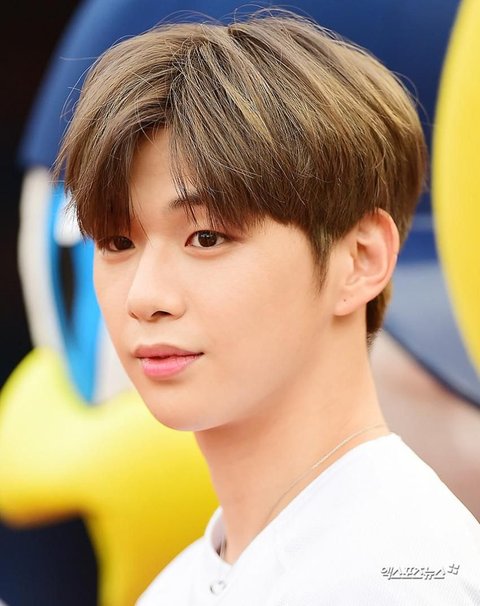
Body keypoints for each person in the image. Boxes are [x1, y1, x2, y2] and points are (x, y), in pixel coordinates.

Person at [53, 8, 480, 605]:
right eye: (117, 243)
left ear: (361, 258)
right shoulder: (178, 586)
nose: (144, 297)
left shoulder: (408, 578)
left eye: (206, 238)